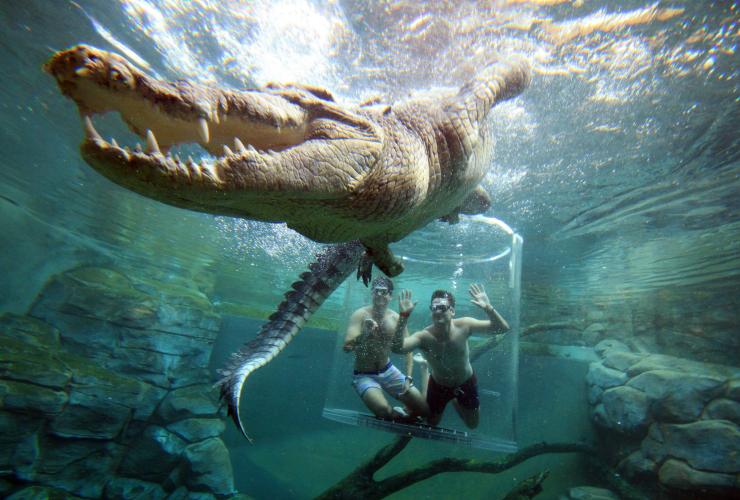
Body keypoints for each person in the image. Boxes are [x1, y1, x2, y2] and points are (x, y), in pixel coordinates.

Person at [394, 284, 510, 429]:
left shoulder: (465, 325)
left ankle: (454, 399)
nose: (437, 311)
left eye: (442, 307)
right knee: (432, 423)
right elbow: (398, 348)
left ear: (452, 311)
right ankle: (425, 369)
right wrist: (403, 317)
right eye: (434, 308)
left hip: (465, 382)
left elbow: (502, 328)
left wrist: (488, 308)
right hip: (439, 385)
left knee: (472, 425)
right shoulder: (424, 336)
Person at [343, 276, 429, 422]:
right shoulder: (360, 315)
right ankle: (398, 414)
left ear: (391, 296)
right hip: (364, 374)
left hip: (388, 370)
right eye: (376, 291)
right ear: (371, 293)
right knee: (384, 412)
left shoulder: (396, 318)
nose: (380, 295)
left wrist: (408, 377)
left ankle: (404, 412)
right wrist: (365, 334)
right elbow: (347, 348)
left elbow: (407, 350)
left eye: (384, 292)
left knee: (424, 411)